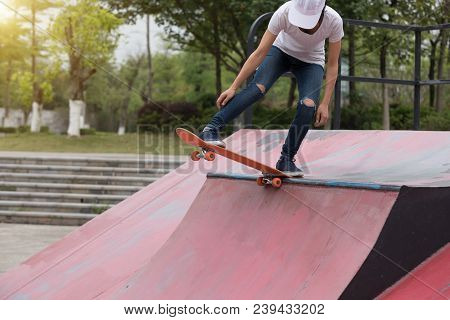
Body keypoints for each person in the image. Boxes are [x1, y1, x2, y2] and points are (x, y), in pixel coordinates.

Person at [199, 0, 344, 175]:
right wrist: (234, 86)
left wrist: (325, 103)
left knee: (308, 106)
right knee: (257, 88)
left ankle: (286, 159)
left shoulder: (334, 21)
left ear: (321, 14)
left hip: (311, 62)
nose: (303, 28)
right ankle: (211, 129)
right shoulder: (284, 12)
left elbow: (333, 65)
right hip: (280, 52)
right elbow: (260, 52)